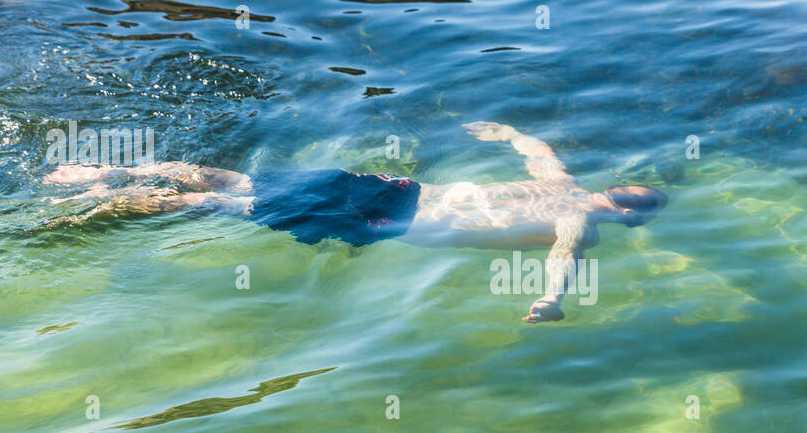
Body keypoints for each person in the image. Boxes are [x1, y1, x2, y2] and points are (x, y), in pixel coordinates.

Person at [43, 122, 667, 322]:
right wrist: (504, 130)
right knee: (230, 190)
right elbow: (532, 148)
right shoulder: (566, 192)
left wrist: (551, 298)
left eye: (625, 201)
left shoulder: (574, 215)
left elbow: (563, 262)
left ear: (623, 215)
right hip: (385, 199)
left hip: (383, 206)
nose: (614, 197)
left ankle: (100, 185)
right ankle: (105, 182)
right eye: (623, 190)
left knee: (231, 193)